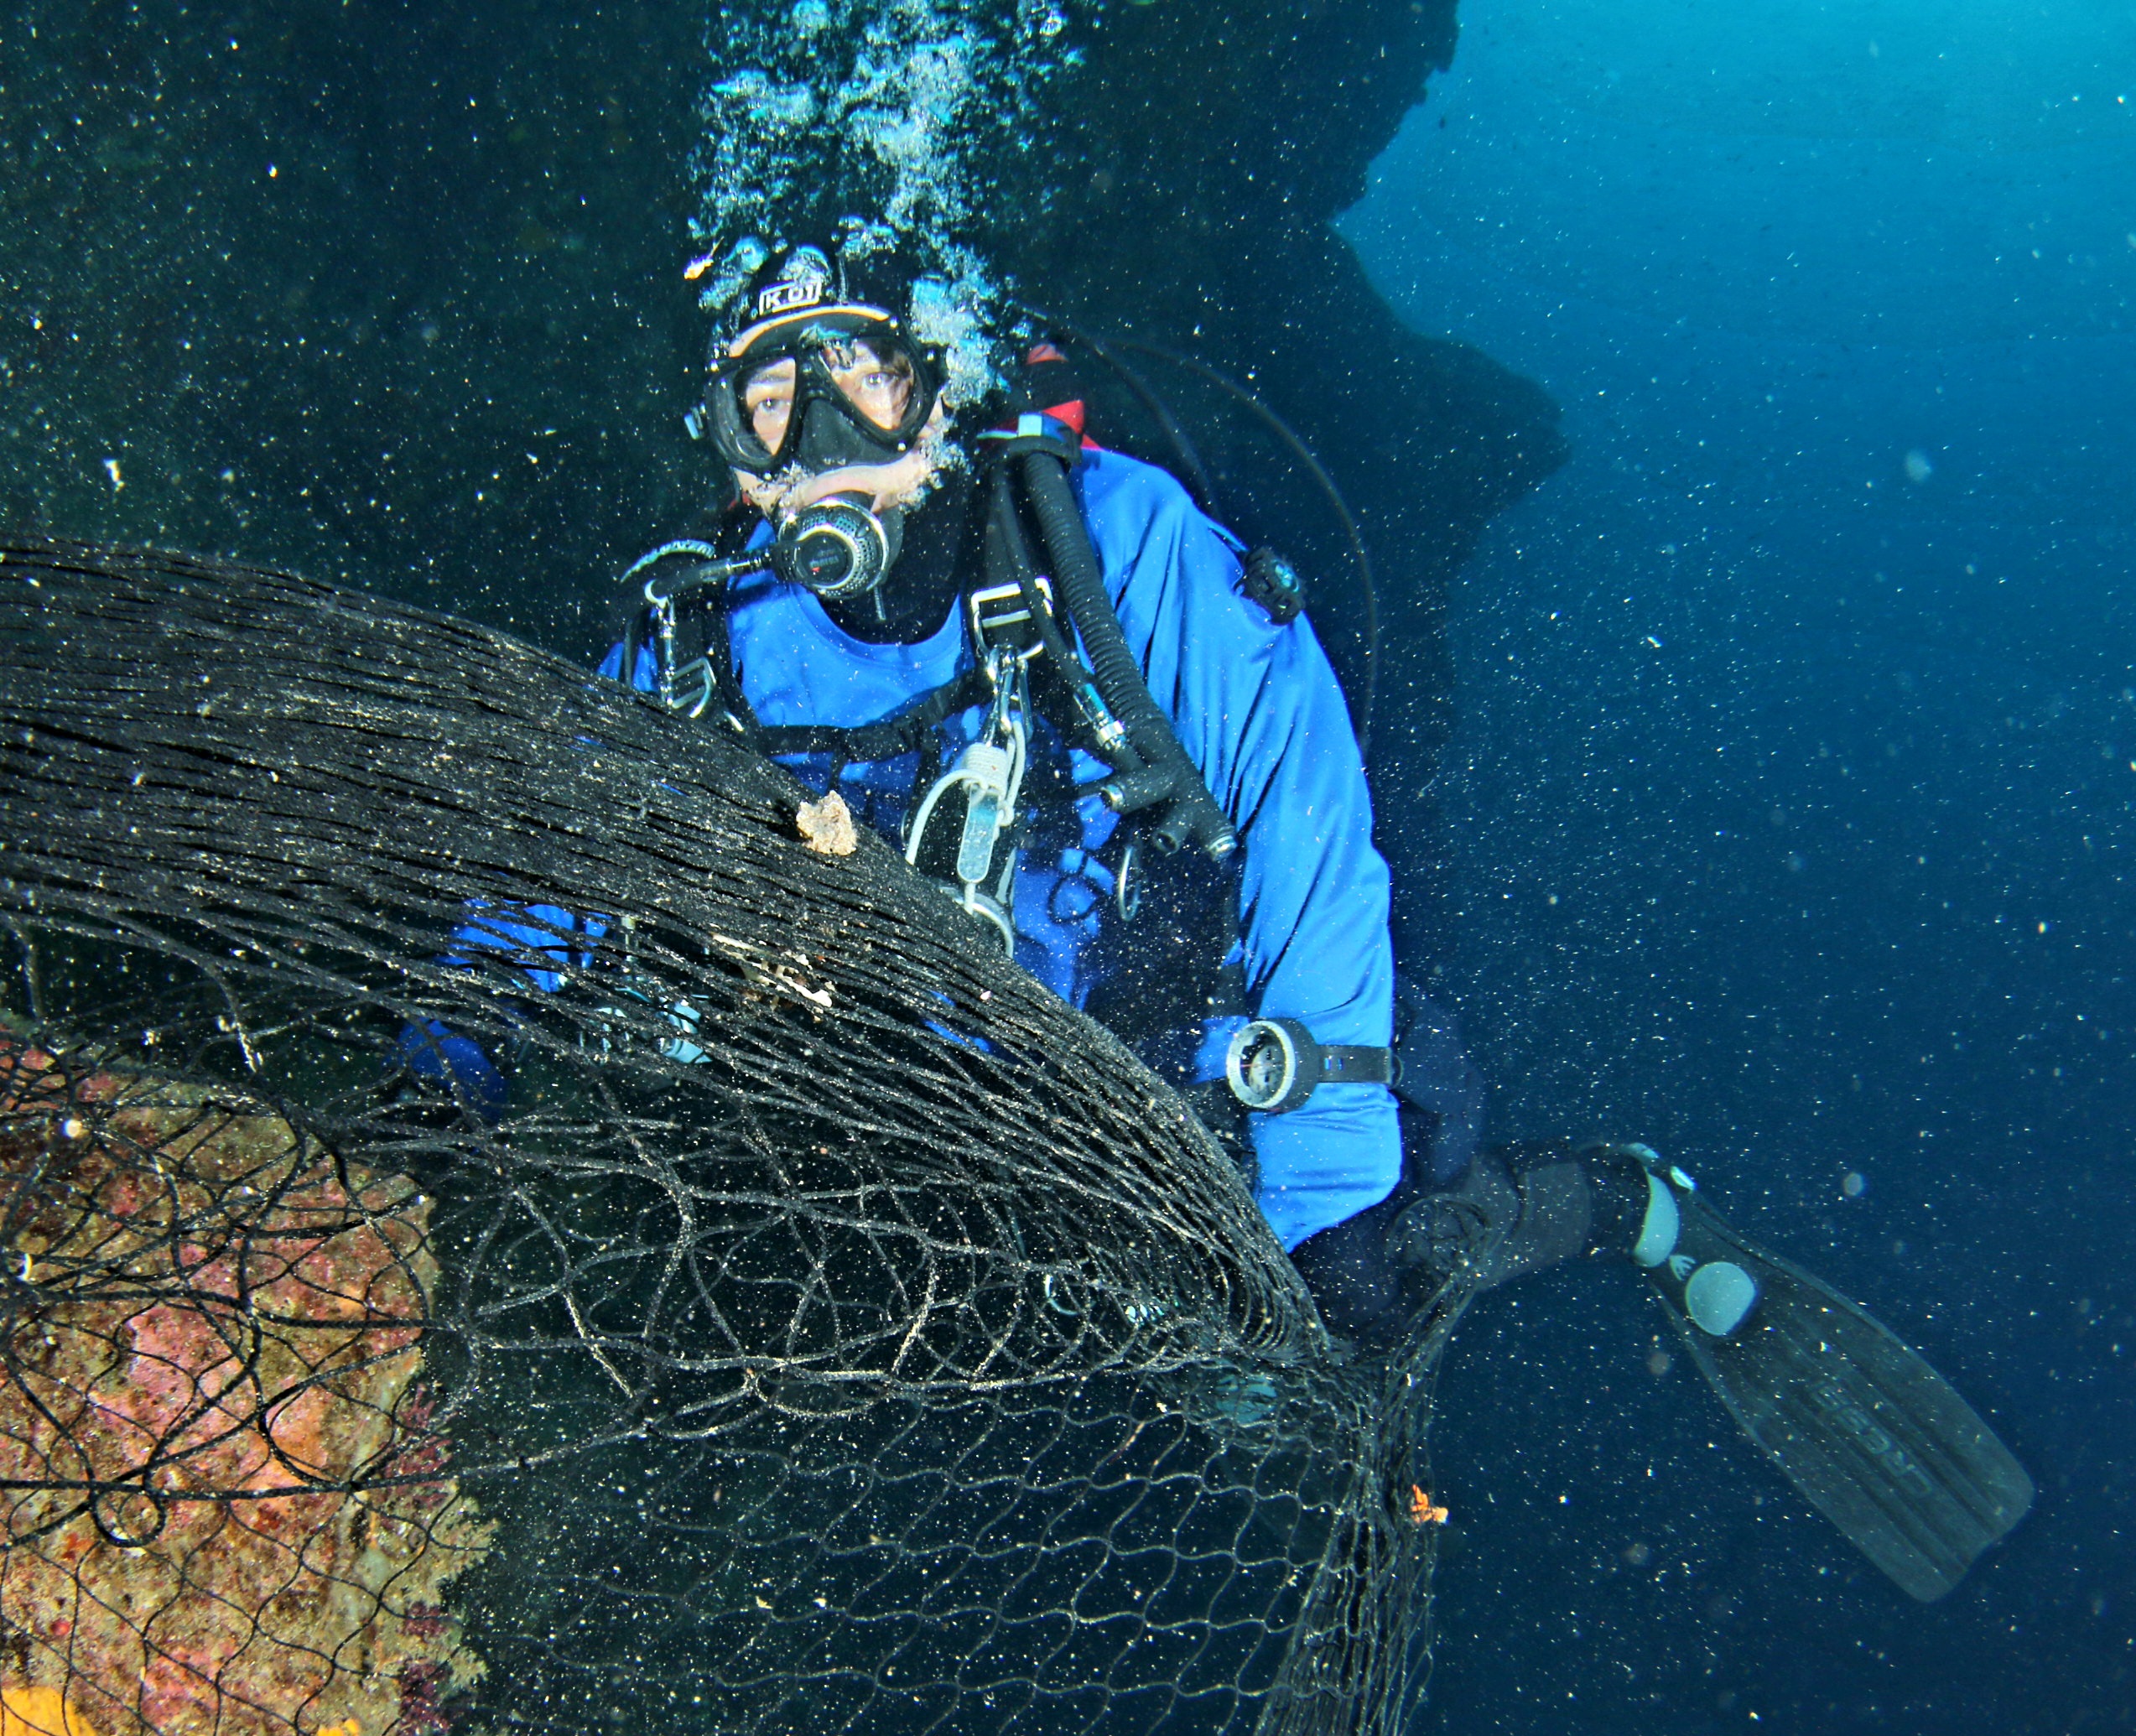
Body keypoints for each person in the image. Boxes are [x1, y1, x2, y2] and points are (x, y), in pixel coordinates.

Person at [404, 235, 2031, 1602]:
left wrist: (1325, 1205)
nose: (817, 438)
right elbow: (568, 843)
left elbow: (1298, 791)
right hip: (945, 1088)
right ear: (725, 451)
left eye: (855, 379)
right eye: (765, 405)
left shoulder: (1106, 542)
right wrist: (454, 1052)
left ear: (936, 386)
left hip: (1182, 1034)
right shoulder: (706, 640)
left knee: (1371, 1273)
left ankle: (1624, 1207)